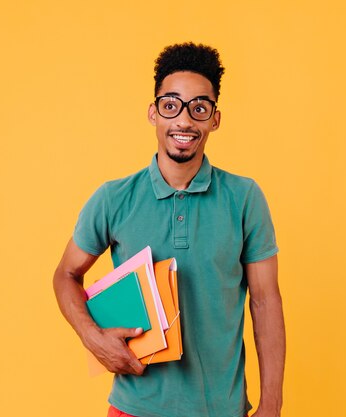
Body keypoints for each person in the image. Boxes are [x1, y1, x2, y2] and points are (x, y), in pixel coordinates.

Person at [53, 42, 286, 417]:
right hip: (134, 407)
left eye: (199, 108)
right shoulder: (114, 198)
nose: (184, 120)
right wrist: (92, 338)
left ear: (215, 119)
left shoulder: (244, 198)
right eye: (171, 105)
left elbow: (265, 300)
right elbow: (65, 274)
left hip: (221, 409)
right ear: (153, 113)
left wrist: (272, 404)